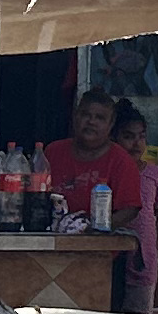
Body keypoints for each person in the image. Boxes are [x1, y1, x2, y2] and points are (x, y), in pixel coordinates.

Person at [38, 89, 139, 232]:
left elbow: (129, 210)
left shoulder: (121, 161)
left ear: (111, 124)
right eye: (85, 115)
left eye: (100, 118)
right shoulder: (52, 152)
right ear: (75, 116)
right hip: (53, 242)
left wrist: (93, 229)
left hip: (99, 246)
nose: (91, 122)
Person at [108, 103, 158, 309]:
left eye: (142, 136)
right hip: (110, 258)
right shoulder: (108, 171)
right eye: (128, 136)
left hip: (144, 261)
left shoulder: (153, 174)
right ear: (113, 139)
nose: (136, 143)